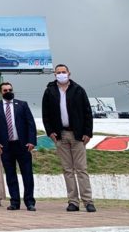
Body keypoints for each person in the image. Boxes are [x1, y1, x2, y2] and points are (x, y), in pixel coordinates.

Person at [41, 63, 96, 212]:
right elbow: (45, 114)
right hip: (61, 135)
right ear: (55, 75)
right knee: (67, 170)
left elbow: (87, 112)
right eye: (58, 72)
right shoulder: (49, 91)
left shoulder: (78, 90)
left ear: (69, 73)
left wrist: (87, 132)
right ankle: (73, 202)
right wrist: (50, 132)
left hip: (78, 135)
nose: (61, 74)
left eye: (63, 72)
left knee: (81, 169)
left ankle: (88, 201)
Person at [0, 81, 37, 211]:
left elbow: (30, 123)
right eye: (5, 90)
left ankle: (29, 202)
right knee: (10, 175)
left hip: (23, 145)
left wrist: (32, 141)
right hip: (6, 146)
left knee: (27, 174)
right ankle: (14, 202)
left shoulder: (22, 105)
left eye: (10, 90)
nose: (8, 92)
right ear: (1, 92)